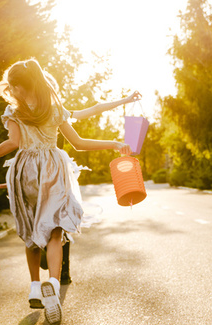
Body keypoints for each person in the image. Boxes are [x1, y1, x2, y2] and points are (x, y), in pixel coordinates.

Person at [0, 58, 131, 325]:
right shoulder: (54, 109)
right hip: (54, 170)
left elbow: (13, 143)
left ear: (21, 86)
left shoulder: (15, 111)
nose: (11, 91)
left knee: (32, 230)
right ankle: (53, 283)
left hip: (26, 172)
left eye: (13, 86)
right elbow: (78, 144)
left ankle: (34, 287)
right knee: (56, 230)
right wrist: (113, 143)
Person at [38, 91, 143, 285]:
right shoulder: (27, 115)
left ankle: (62, 272)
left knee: (62, 222)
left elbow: (95, 109)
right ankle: (49, 257)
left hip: (58, 174)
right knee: (50, 224)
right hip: (39, 174)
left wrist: (126, 100)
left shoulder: (58, 112)